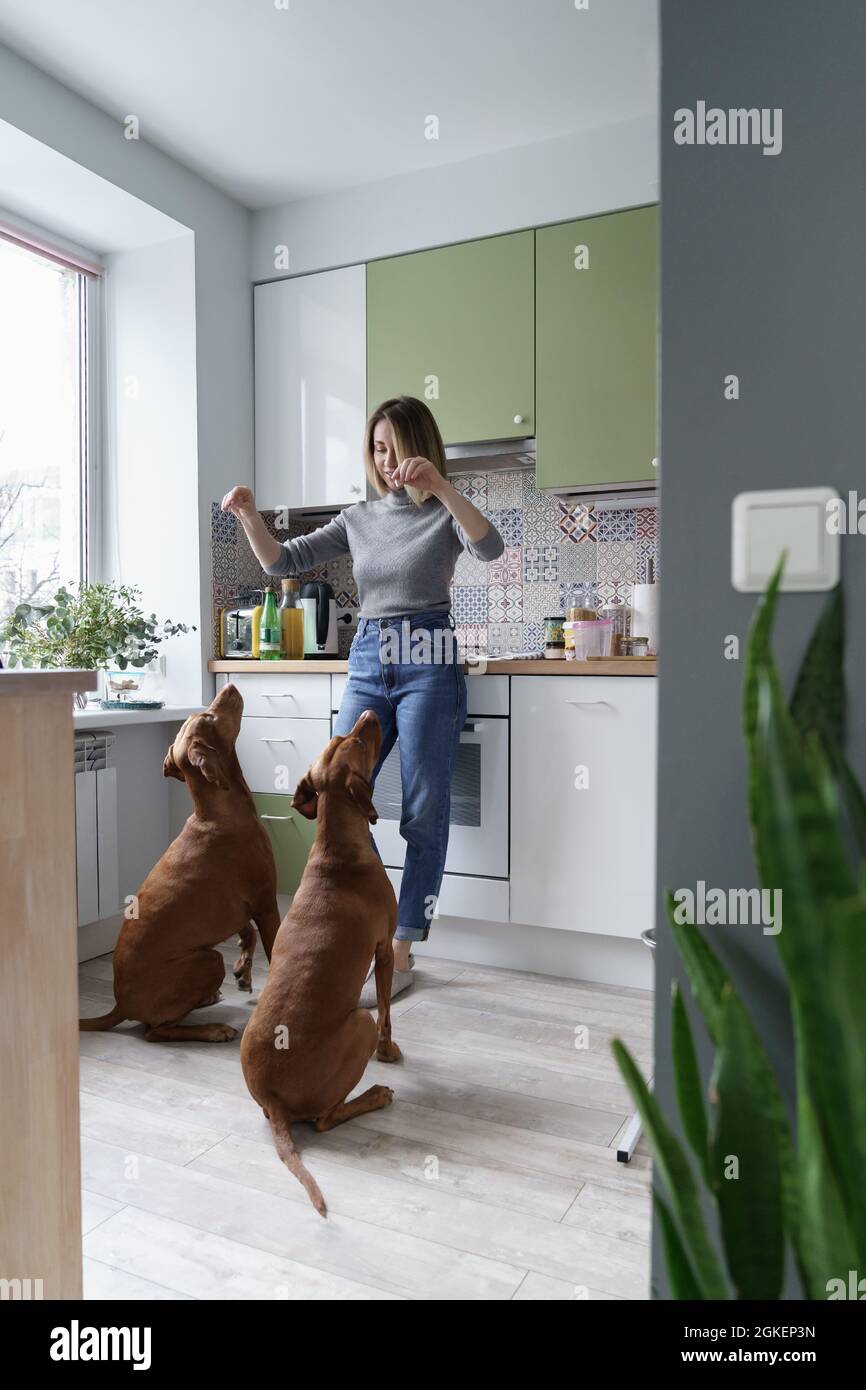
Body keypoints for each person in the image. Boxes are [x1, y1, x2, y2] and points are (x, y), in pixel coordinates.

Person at [221, 394, 504, 1001]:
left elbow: (490, 547)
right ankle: (371, 916)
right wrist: (249, 517)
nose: (388, 460)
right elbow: (280, 562)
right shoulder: (358, 519)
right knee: (334, 793)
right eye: (378, 448)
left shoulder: (443, 515)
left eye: (399, 448)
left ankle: (402, 943)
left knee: (426, 809)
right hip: (371, 656)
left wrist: (442, 488)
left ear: (423, 450)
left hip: (430, 655)